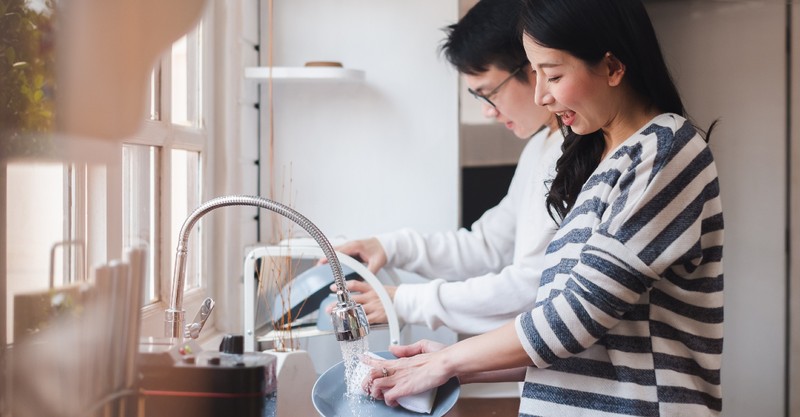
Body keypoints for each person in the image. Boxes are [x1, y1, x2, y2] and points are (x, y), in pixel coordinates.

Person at [363, 0, 724, 416]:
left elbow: (576, 316)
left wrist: (448, 359)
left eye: (551, 75)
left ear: (611, 67)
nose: (541, 96)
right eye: (535, 76)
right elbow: (576, 344)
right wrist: (453, 366)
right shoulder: (592, 161)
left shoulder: (663, 151)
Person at [327, 0, 562, 335]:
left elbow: (530, 287)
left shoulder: (573, 155)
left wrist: (405, 301)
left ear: (533, 66)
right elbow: (488, 247)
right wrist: (390, 246)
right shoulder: (540, 148)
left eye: (488, 93)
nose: (488, 111)